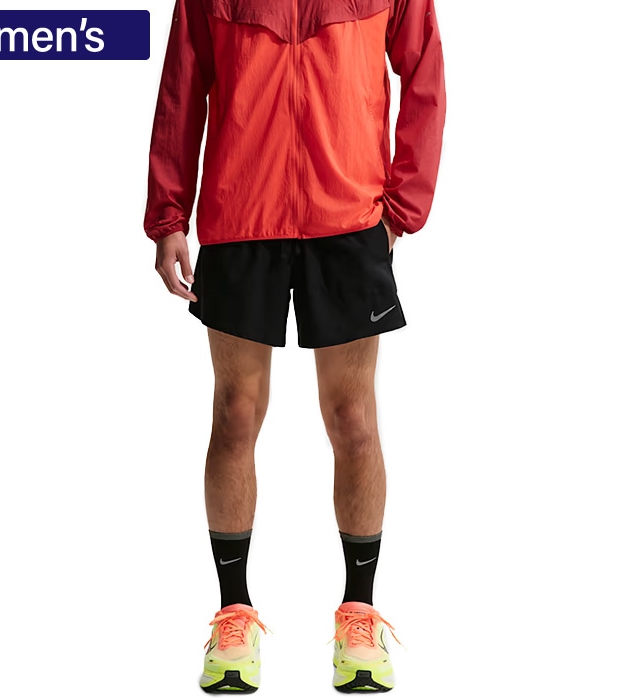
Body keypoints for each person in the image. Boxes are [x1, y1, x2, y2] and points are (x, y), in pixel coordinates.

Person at [143, 0, 446, 692]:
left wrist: (404, 206)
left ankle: (359, 615)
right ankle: (234, 616)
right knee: (234, 415)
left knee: (354, 419)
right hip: (239, 215)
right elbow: (183, 85)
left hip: (349, 217)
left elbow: (425, 72)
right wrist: (169, 214)